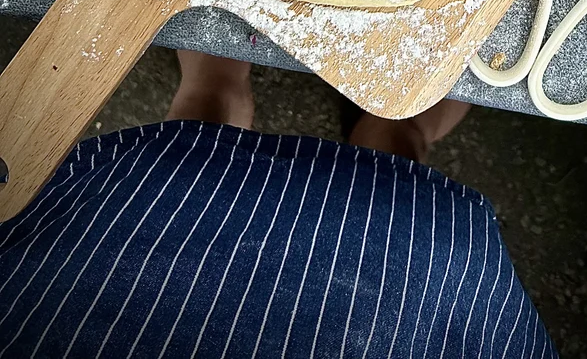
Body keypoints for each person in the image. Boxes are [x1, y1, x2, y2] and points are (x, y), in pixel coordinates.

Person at [0, 51, 555, 358]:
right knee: (401, 175)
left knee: (190, 147)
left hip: (85, 290)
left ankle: (216, 82)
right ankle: (400, 125)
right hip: (412, 294)